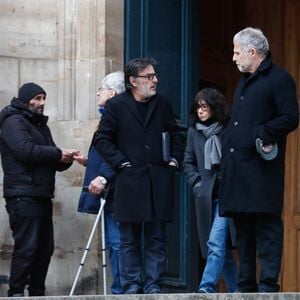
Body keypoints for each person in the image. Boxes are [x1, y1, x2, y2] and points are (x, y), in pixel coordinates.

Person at [219, 27, 299, 292]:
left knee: (267, 228)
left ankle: (267, 287)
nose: (233, 57)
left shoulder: (279, 79)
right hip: (238, 168)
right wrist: (229, 139)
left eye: (237, 51)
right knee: (243, 230)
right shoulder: (244, 80)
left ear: (253, 52)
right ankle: (245, 286)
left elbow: (290, 117)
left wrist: (257, 134)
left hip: (262, 170)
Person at [93, 57, 182, 294]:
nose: (155, 81)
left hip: (158, 182)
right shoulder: (116, 106)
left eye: (154, 76)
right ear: (133, 81)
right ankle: (131, 286)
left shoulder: (162, 103)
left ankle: (153, 285)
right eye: (149, 77)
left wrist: (174, 160)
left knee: (156, 238)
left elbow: (177, 133)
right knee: (128, 240)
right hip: (130, 182)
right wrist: (120, 162)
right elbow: (101, 139)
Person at [0, 82, 75, 297]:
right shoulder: (13, 122)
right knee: (27, 247)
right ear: (26, 100)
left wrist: (67, 159)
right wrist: (57, 153)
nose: (42, 103)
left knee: (44, 249)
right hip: (22, 194)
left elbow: (50, 155)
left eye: (43, 98)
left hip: (40, 194)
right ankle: (16, 293)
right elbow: (25, 151)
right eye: (37, 98)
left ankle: (37, 292)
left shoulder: (41, 126)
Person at [73, 71, 125, 294]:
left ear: (112, 93)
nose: (97, 92)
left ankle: (121, 290)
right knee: (115, 243)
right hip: (108, 187)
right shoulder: (109, 116)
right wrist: (89, 162)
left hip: (114, 189)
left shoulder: (117, 117)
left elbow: (117, 151)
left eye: (101, 88)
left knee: (117, 243)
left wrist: (103, 176)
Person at [183, 88, 237, 293]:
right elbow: (188, 162)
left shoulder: (228, 129)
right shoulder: (193, 132)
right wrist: (197, 184)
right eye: (198, 107)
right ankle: (237, 290)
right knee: (220, 251)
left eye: (204, 107)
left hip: (227, 195)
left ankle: (206, 288)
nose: (200, 111)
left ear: (215, 108)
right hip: (206, 196)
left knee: (215, 243)